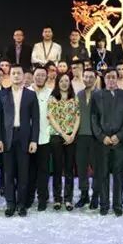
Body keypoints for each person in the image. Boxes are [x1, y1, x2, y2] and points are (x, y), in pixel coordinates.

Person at [0, 65, 40, 217]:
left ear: (23, 75)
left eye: (19, 73)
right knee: (8, 174)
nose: (16, 75)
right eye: (13, 73)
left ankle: (21, 204)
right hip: (7, 138)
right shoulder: (2, 94)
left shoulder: (30, 95)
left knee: (23, 174)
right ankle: (10, 204)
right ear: (9, 76)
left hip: (24, 138)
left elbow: (36, 120)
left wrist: (34, 140)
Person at [90, 69, 123, 216]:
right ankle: (104, 204)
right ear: (104, 79)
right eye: (108, 77)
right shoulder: (97, 95)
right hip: (102, 142)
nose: (111, 80)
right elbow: (93, 118)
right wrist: (102, 137)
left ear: (117, 78)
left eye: (114, 77)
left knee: (119, 175)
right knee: (102, 174)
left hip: (119, 142)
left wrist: (119, 136)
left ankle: (118, 204)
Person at [48, 73, 80, 210]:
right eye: (61, 81)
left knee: (69, 169)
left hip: (71, 136)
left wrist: (72, 134)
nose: (64, 83)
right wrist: (63, 134)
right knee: (57, 168)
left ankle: (68, 199)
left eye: (66, 80)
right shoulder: (52, 98)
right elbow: (51, 117)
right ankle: (57, 198)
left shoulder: (74, 98)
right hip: (57, 136)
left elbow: (78, 116)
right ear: (57, 82)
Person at [26, 66, 52, 211]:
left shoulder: (50, 93)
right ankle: (29, 197)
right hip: (28, 138)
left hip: (44, 137)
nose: (40, 77)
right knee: (29, 170)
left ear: (46, 77)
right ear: (33, 76)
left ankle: (43, 198)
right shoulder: (26, 92)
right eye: (37, 75)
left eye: (43, 75)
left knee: (43, 170)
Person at [75, 68, 100, 208]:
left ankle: (96, 195)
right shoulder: (79, 94)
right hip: (81, 136)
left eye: (91, 77)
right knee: (82, 167)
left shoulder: (100, 94)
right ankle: (84, 195)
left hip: (96, 137)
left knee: (97, 168)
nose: (88, 79)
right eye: (86, 76)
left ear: (95, 79)